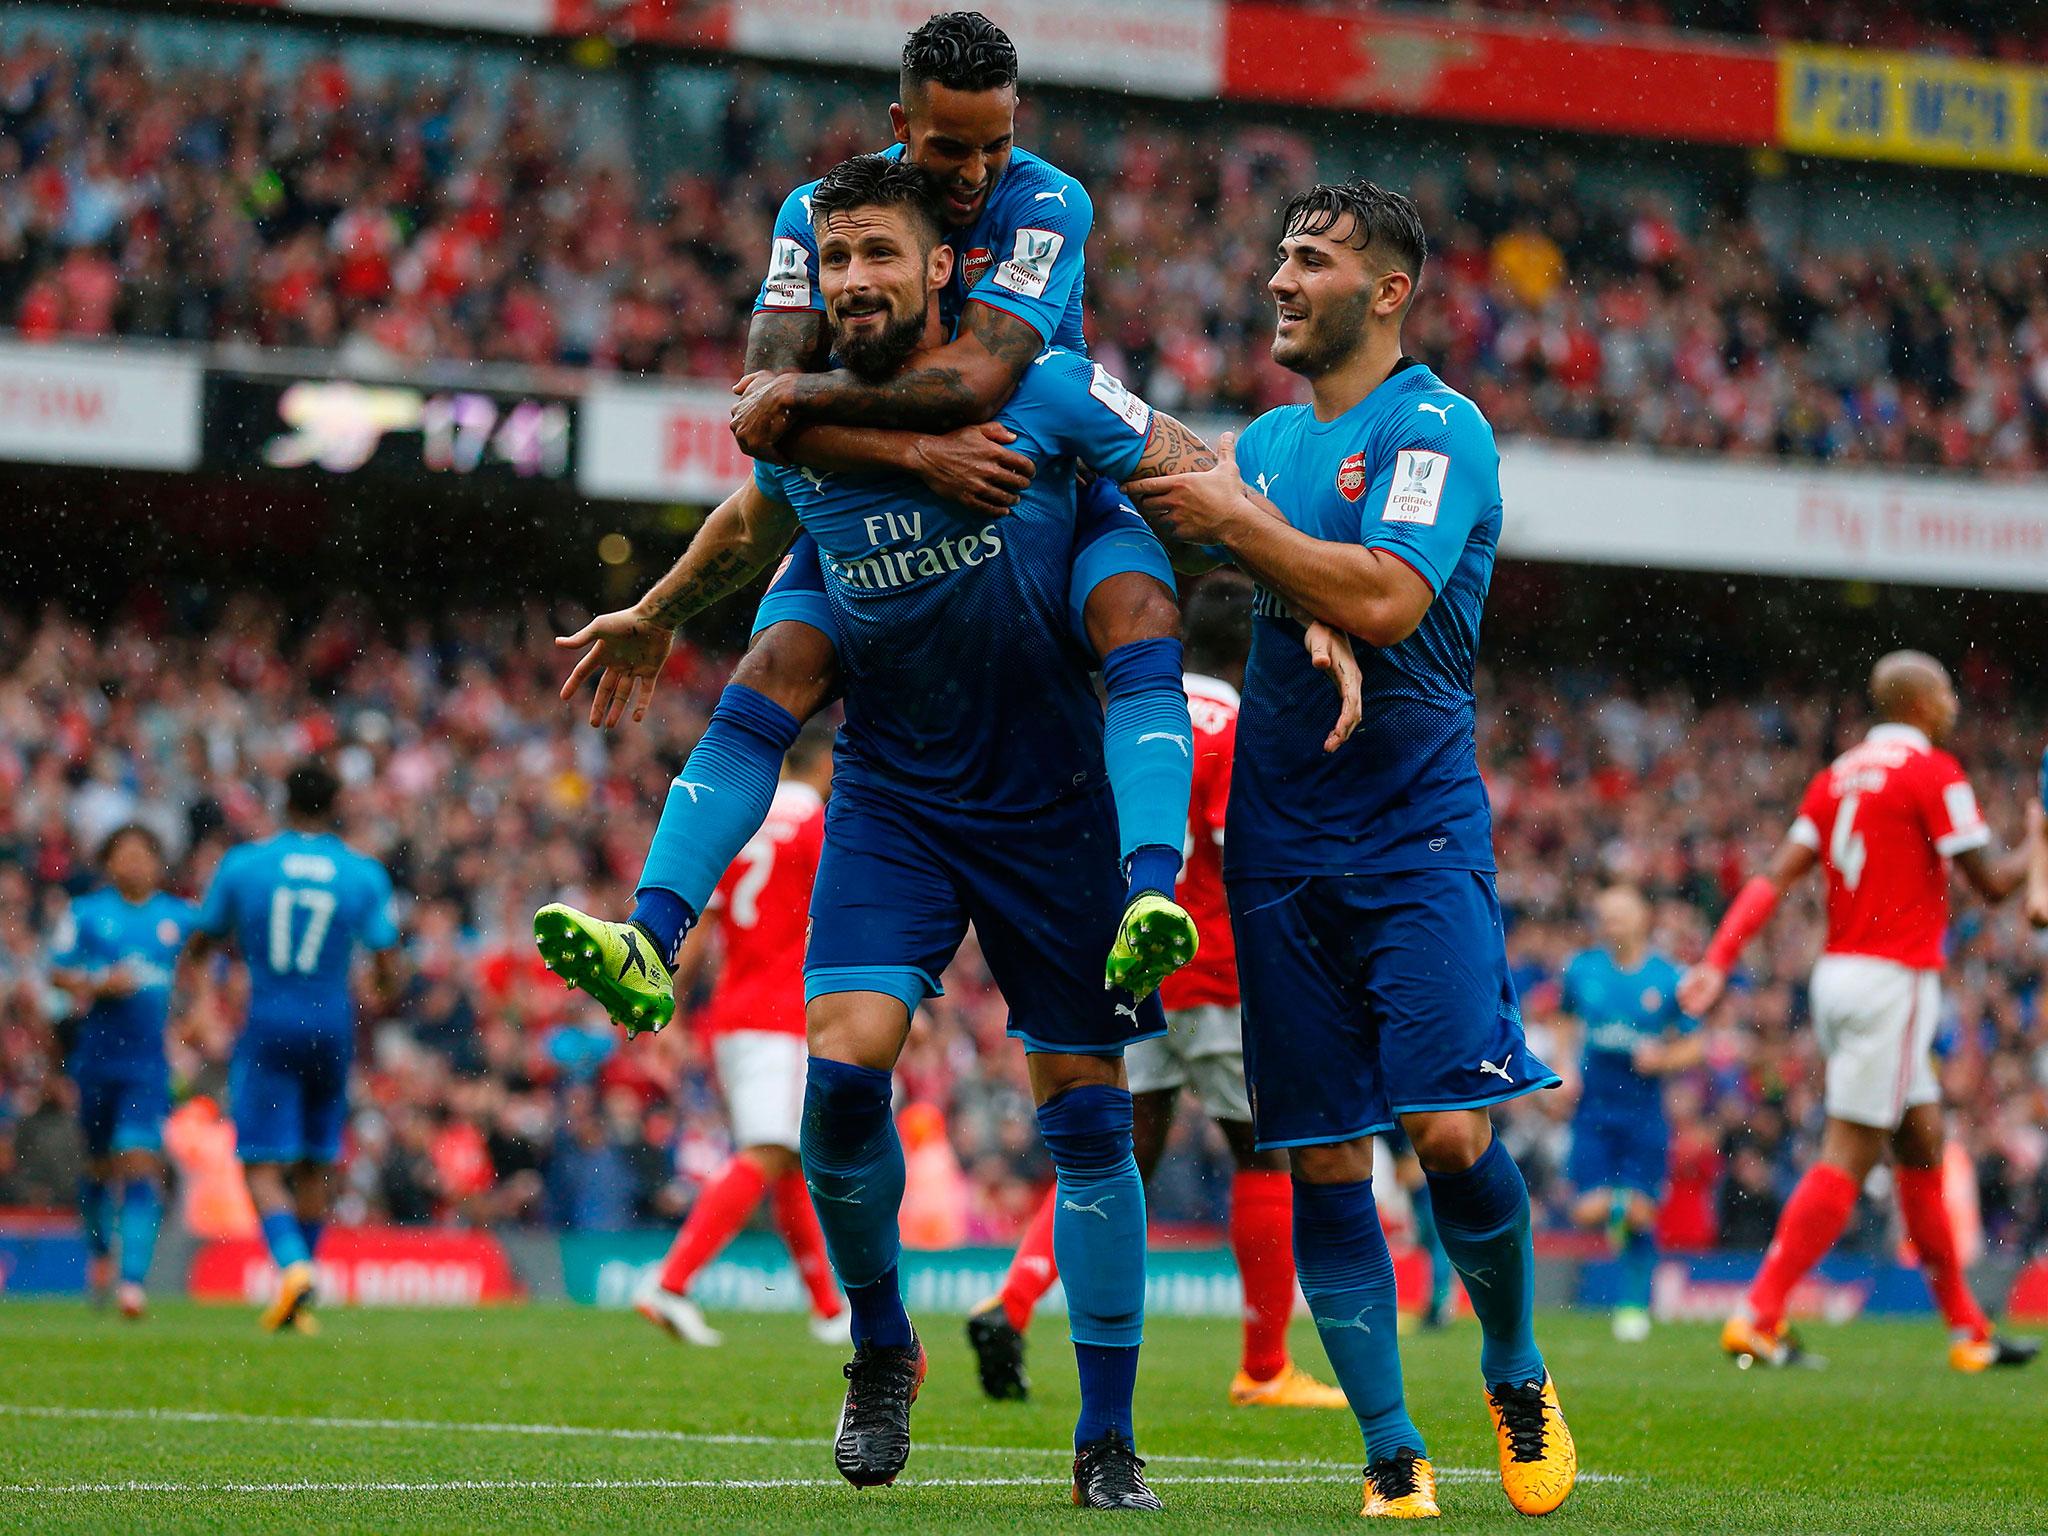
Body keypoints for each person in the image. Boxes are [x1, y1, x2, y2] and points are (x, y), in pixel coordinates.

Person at [541, 156, 1354, 1510]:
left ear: (943, 271)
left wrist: (1305, 585)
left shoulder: (1042, 383)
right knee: (841, 1081)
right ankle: (878, 1347)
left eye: (883, 256)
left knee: (1090, 1125)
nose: (856, 277)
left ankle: (1106, 1438)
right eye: (839, 254)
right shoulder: (800, 419)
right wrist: (659, 611)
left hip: (1053, 810)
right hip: (899, 799)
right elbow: (754, 514)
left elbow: (1187, 464)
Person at [553, 14, 1201, 996]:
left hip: (1034, 486)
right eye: (951, 148)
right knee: (772, 666)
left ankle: (1151, 889)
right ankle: (648, 938)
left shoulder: (1047, 203)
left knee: (1138, 615)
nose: (979, 172)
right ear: (900, 122)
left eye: (997, 142)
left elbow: (973, 382)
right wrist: (911, 455)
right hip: (885, 502)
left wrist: (819, 409)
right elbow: (762, 402)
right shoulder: (825, 212)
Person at [1128, 177, 1577, 1519]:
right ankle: (1392, 1454)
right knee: (1320, 1152)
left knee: (1444, 1132)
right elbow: (1187, 496)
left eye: (1313, 260)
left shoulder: (1437, 427)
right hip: (1274, 846)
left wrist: (1260, 540)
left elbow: (1385, 593)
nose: (1279, 279)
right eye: (1278, 255)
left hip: (1416, 834)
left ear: (1389, 290)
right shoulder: (1262, 440)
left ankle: (1513, 1365)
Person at [966, 569, 1345, 1411]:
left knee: (1117, 1153)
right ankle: (1264, 1366)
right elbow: (1238, 856)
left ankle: (1015, 1296)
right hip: (1213, 972)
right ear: (1255, 647)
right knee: (1264, 1153)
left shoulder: (1135, 716)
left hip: (1127, 965)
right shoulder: (1241, 729)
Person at [1680, 651, 2044, 1373]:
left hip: (1837, 973)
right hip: (1896, 978)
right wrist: (2038, 836)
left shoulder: (1836, 776)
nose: (1954, 706)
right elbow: (1997, 887)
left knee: (1922, 1141)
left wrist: (1719, 959)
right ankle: (1758, 1315)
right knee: (1851, 1149)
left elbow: (1773, 875)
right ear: (1921, 702)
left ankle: (1968, 1330)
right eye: (1946, 692)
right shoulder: (1935, 772)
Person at [634, 719, 849, 1347]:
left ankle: (827, 1310)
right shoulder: (819, 827)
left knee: (784, 1157)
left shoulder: (748, 821)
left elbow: (702, 921)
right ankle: (670, 1283)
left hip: (732, 1013)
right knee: (768, 1150)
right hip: (782, 1015)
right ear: (828, 769)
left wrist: (671, 996)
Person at [182, 761, 403, 1334]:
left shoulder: (245, 864)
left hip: (268, 1019)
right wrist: (379, 989)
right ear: (336, 805)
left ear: (283, 800)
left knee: (259, 1161)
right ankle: (300, 1285)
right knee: (316, 1159)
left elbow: (203, 940)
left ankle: (294, 1267)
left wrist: (203, 1005)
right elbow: (387, 963)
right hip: (331, 1023)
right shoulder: (362, 874)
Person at [49, 825, 196, 1320]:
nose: (134, 864)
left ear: (157, 864)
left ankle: (133, 1283)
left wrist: (201, 1014)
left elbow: (209, 962)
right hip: (96, 1062)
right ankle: (99, 1255)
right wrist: (96, 983)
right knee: (95, 1170)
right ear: (109, 863)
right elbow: (55, 971)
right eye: (124, 855)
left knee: (138, 1163)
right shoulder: (87, 914)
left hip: (147, 1067)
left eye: (143, 855)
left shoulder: (178, 917)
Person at [1559, 886, 1700, 1343]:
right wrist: (1563, 1064)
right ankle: (1621, 1209)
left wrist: (1664, 1059)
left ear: (1644, 917)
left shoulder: (1668, 977)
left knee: (1644, 1211)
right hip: (1593, 1108)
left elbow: (1695, 1043)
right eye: (1605, 914)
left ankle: (1634, 1304)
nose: (1612, 921)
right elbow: (1564, 1019)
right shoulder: (1582, 969)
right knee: (1584, 1210)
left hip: (1643, 1112)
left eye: (1621, 912)